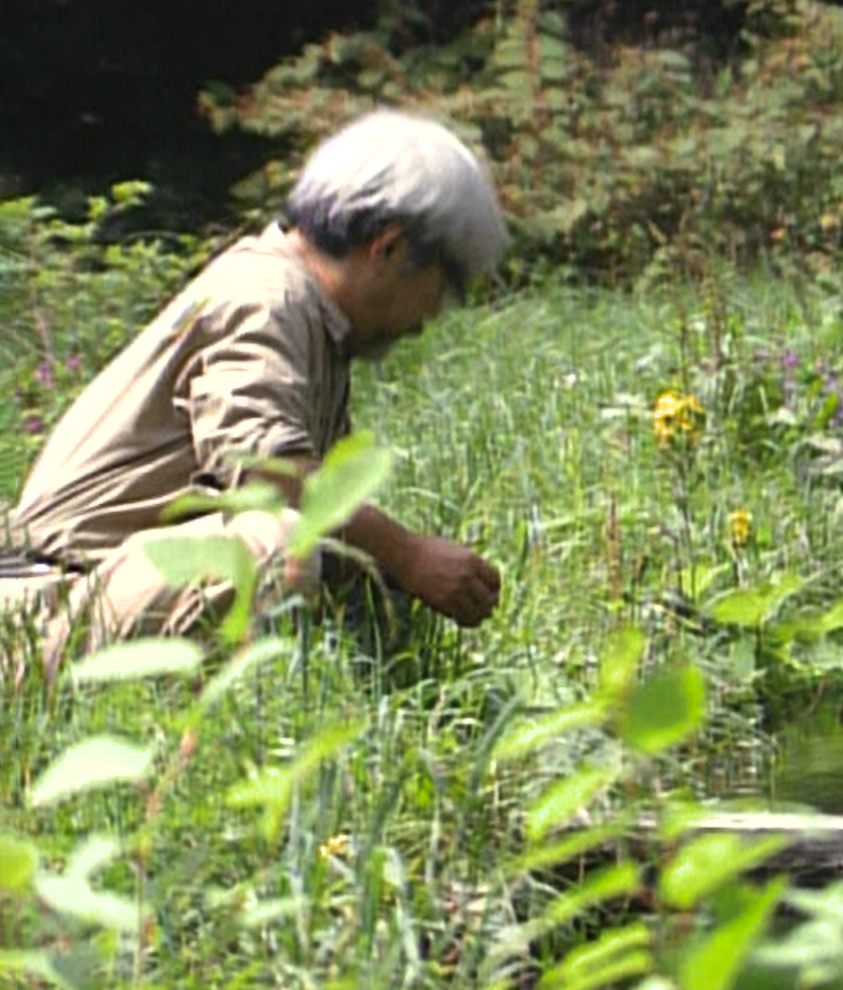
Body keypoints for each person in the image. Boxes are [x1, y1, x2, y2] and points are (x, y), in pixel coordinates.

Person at [0, 109, 507, 682]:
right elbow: (267, 474)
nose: (432, 316)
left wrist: (394, 569)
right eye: (444, 289)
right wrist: (410, 554)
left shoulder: (312, 317)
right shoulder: (265, 299)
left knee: (361, 571)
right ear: (388, 249)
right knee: (273, 546)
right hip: (44, 606)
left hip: (92, 588)